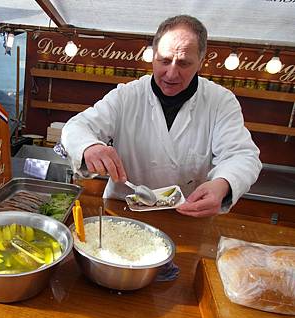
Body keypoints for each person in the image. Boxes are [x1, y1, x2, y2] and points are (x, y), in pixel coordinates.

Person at [61, 15, 262, 217]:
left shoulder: (220, 102)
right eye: (164, 61)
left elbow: (242, 155)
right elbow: (76, 127)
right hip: (122, 210)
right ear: (153, 55)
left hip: (186, 214)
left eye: (184, 63)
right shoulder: (127, 95)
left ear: (201, 61)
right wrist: (90, 146)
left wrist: (223, 183)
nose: (171, 74)